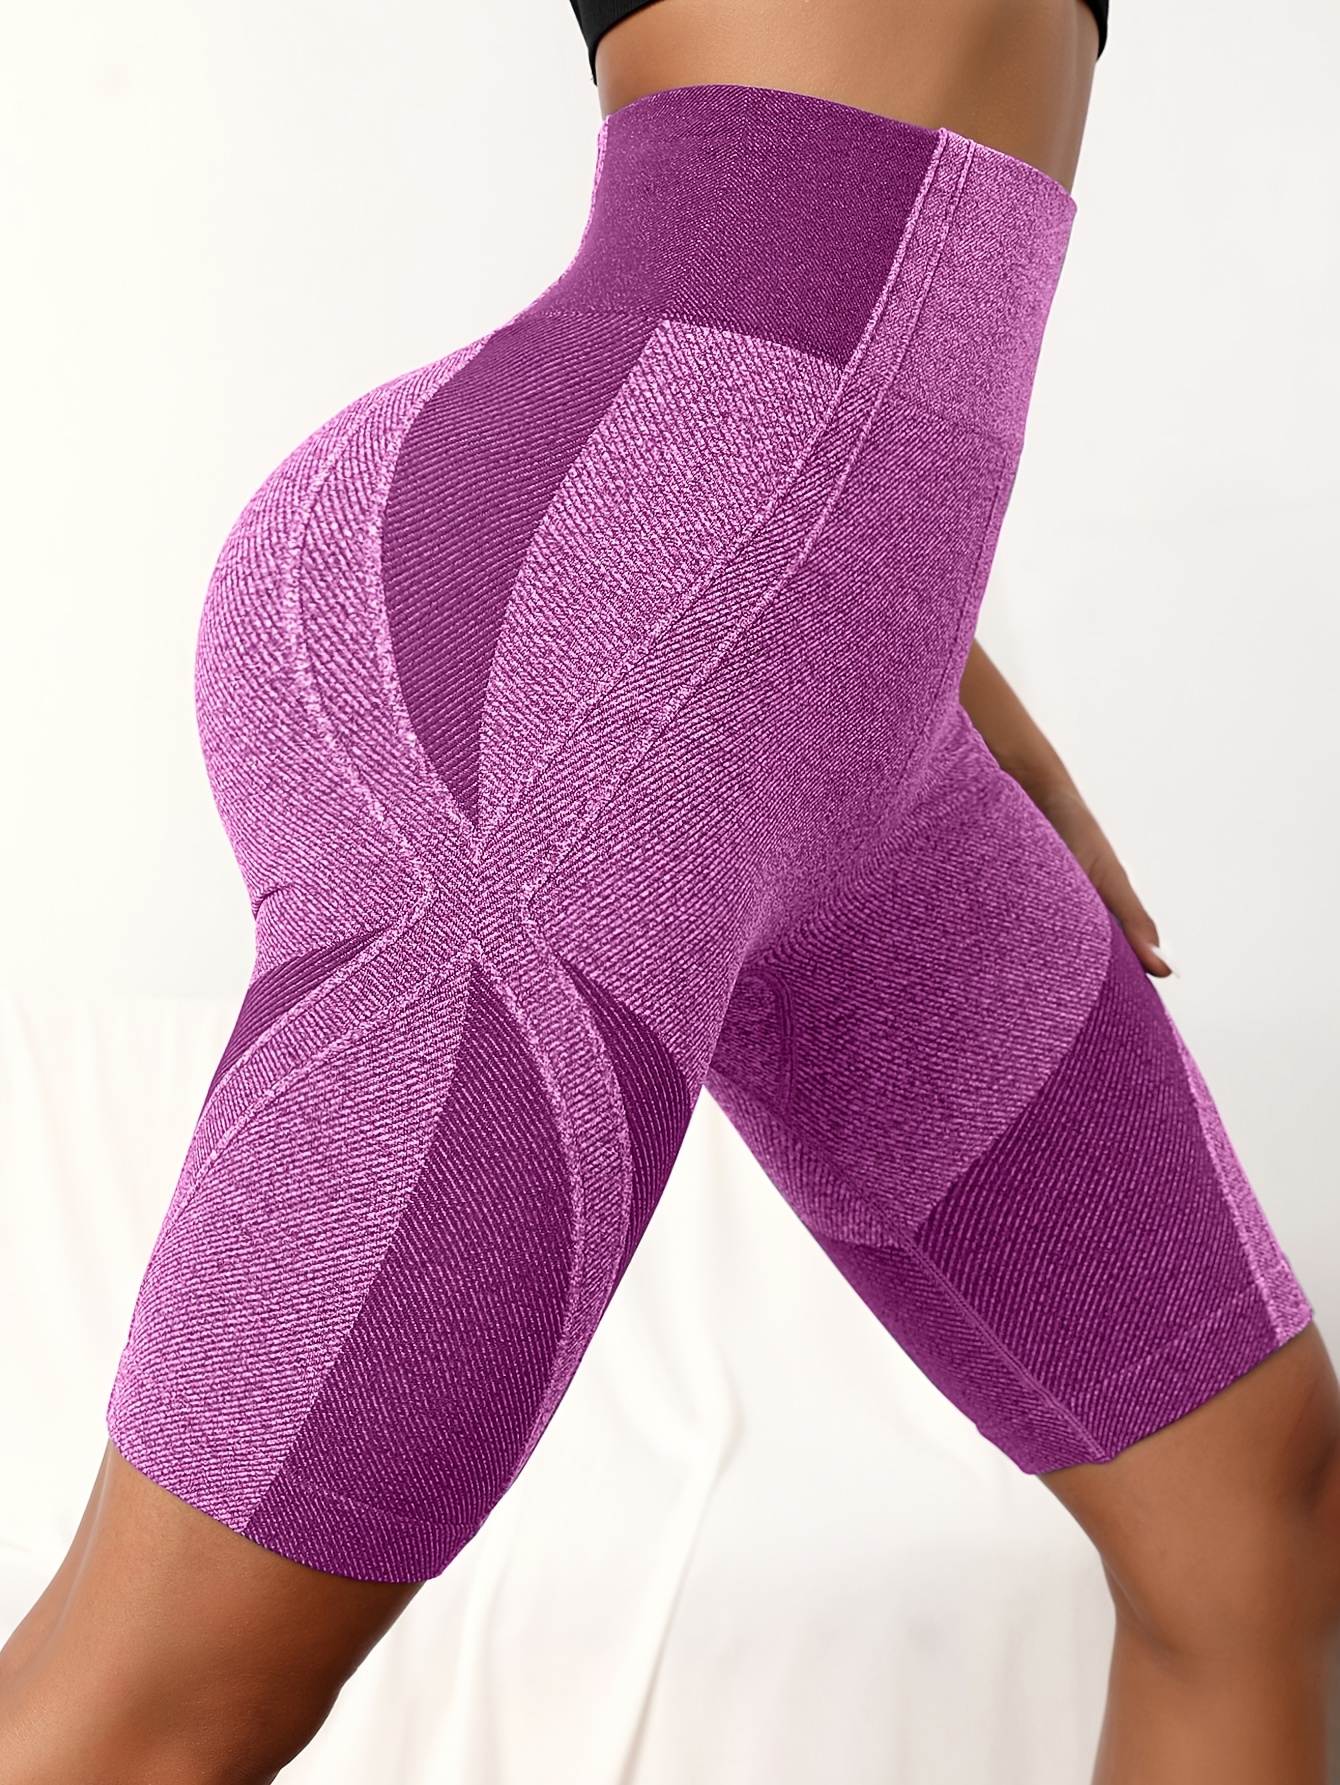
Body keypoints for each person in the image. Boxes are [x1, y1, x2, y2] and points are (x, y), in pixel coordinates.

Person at [2, 1, 1337, 1780]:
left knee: (1256, 1518)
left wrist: (894, 631)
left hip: (830, 688)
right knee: (162, 1698)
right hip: (562, 651)